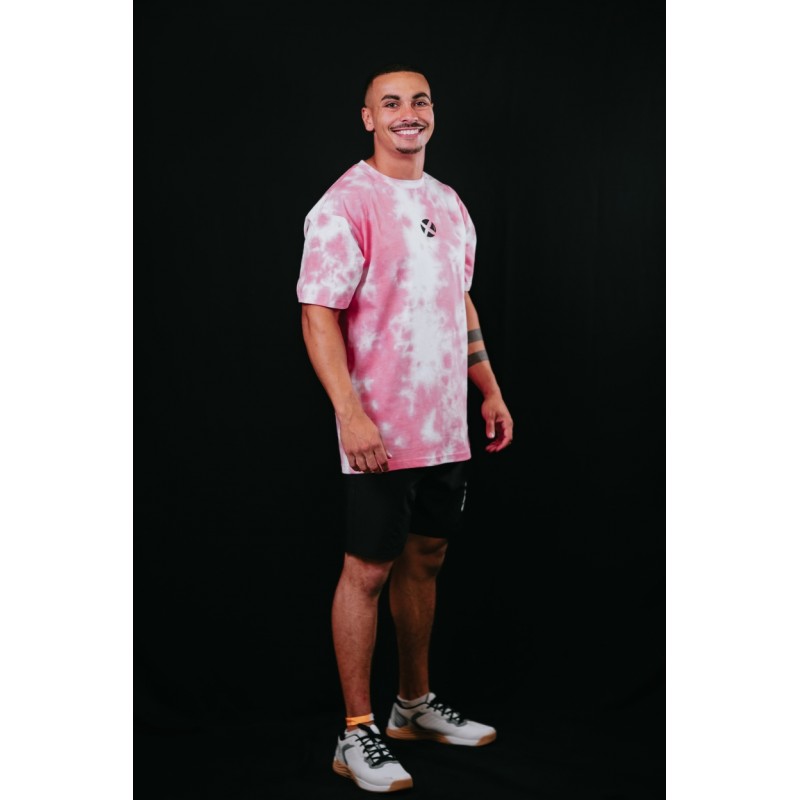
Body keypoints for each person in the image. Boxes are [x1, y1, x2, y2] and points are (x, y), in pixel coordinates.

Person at [296, 63, 514, 794]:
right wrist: (350, 412)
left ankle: (411, 707)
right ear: (369, 118)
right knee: (367, 571)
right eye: (390, 103)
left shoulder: (449, 203)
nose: (406, 113)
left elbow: (460, 299)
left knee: (425, 560)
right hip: (378, 432)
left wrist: (488, 388)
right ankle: (356, 732)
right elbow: (317, 315)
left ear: (432, 112)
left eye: (418, 101)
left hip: (444, 427)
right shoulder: (345, 204)